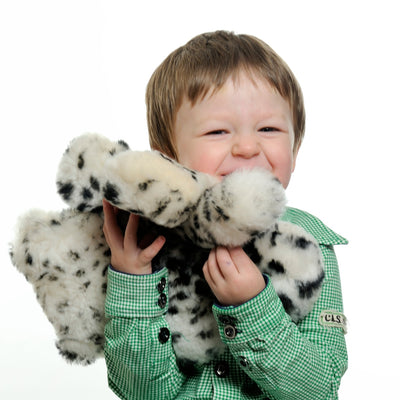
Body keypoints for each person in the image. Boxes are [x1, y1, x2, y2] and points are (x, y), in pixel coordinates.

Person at [102, 30, 348, 399]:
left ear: (295, 148)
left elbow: (318, 391)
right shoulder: (149, 246)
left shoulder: (309, 246)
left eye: (269, 129)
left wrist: (253, 305)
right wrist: (132, 281)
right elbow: (142, 393)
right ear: (167, 159)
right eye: (217, 131)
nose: (248, 147)